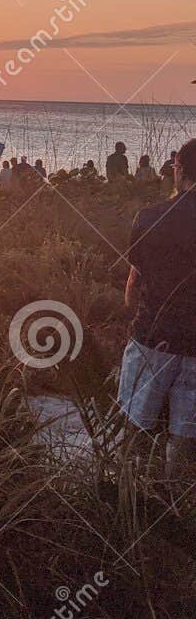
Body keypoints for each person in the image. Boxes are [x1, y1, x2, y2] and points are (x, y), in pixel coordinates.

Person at [118, 136, 196, 480]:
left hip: (153, 338)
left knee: (137, 427)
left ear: (179, 170)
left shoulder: (150, 217)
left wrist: (132, 321)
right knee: (184, 437)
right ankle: (174, 509)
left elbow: (134, 285)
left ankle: (133, 499)